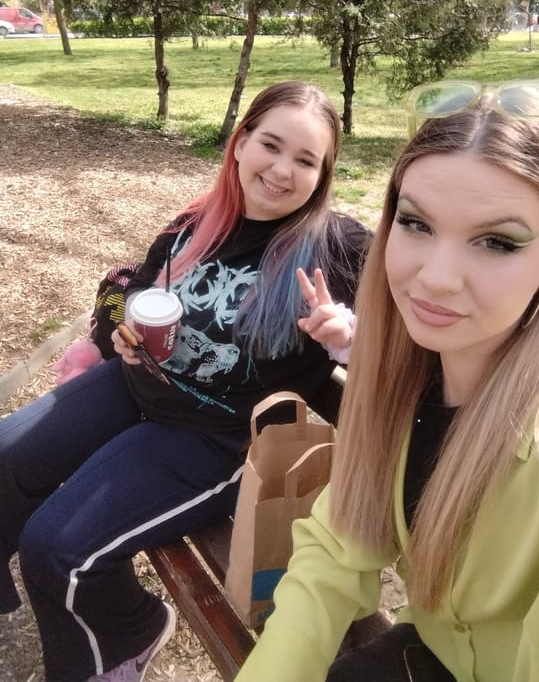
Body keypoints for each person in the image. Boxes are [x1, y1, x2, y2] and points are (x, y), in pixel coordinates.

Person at [0, 81, 371, 682]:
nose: (282, 171)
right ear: (241, 142)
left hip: (218, 436)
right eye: (270, 145)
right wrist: (120, 329)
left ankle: (126, 636)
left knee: (59, 551)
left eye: (306, 160)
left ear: (324, 173)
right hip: (138, 387)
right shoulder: (199, 221)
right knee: (5, 453)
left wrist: (346, 337)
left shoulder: (340, 247)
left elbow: (411, 354)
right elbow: (137, 286)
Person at [234, 79, 539, 682]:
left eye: (496, 241)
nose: (435, 279)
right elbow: (336, 543)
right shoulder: (399, 382)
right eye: (417, 224)